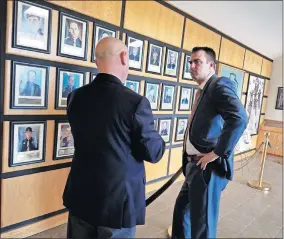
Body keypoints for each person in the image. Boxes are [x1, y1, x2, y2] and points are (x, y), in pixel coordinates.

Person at [63, 37, 165, 239]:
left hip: (80, 194)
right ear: (124, 57)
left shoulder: (75, 97)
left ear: (96, 61)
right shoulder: (135, 102)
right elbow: (153, 152)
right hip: (117, 202)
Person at [171, 46, 248, 239]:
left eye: (198, 62)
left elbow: (239, 118)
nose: (192, 66)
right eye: (190, 62)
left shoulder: (218, 85)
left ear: (212, 65)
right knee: (182, 214)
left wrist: (217, 153)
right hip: (193, 165)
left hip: (206, 168)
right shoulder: (204, 90)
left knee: (203, 227)